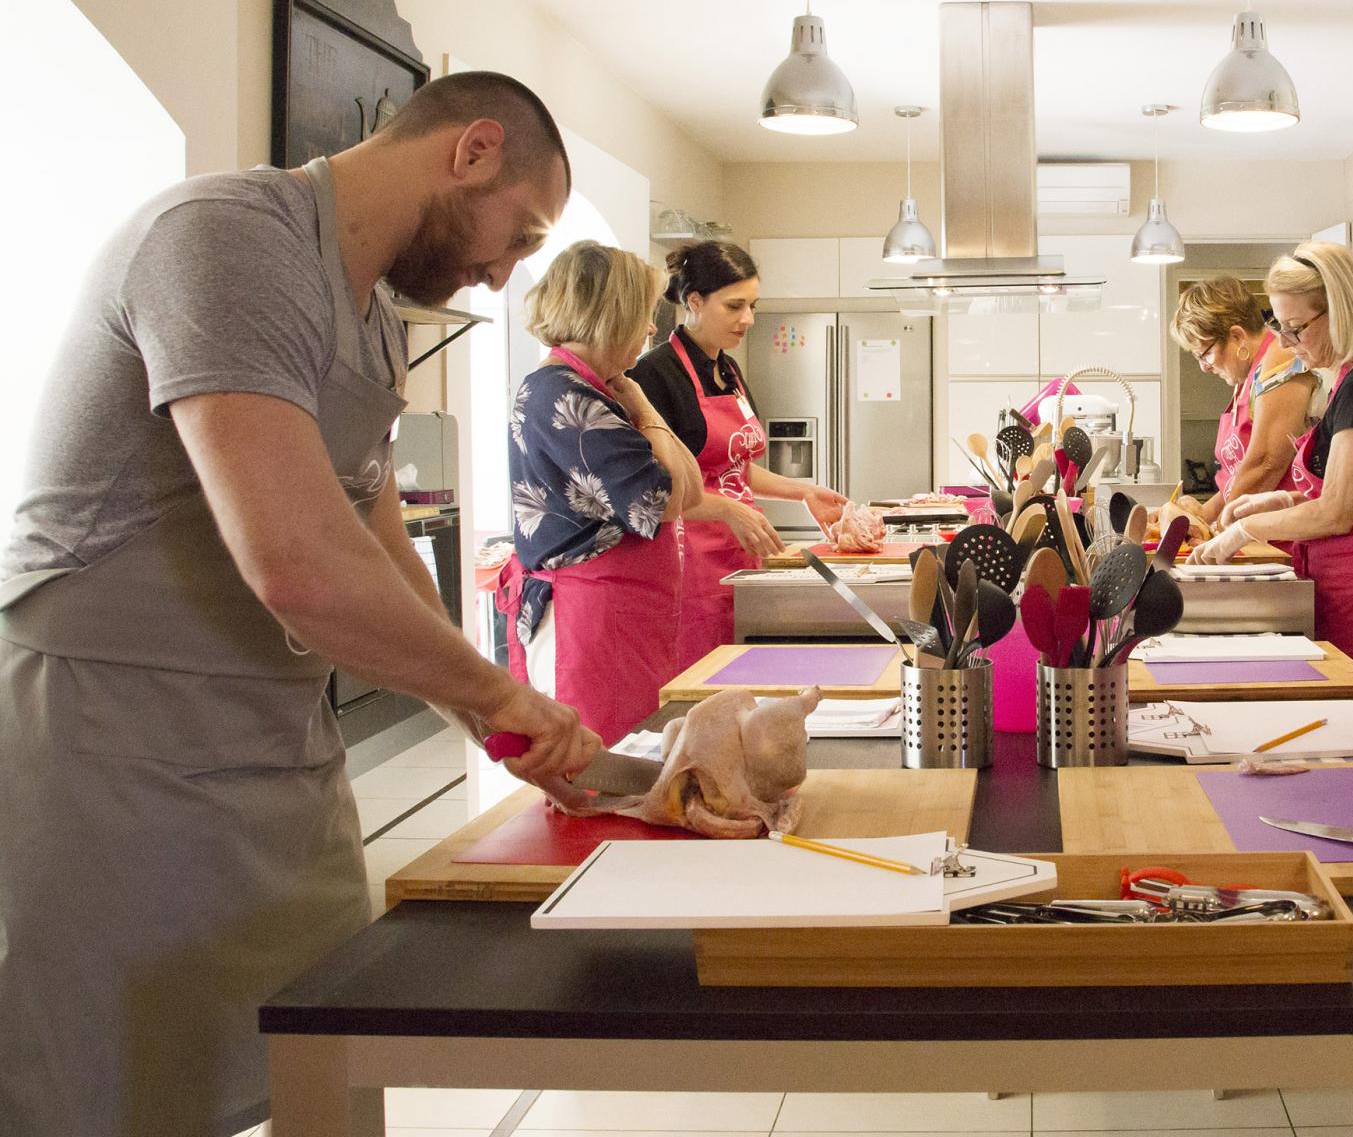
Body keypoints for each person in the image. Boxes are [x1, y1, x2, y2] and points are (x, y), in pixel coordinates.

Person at [0, 71, 603, 1136]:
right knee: (112, 1086)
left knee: (331, 1048)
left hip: (269, 741)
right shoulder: (227, 239)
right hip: (108, 738)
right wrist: (508, 691)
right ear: (469, 151)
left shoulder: (373, 322)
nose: (504, 278)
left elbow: (373, 549)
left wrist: (491, 718)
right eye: (520, 235)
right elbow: (297, 563)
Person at [1192, 242, 1353, 712]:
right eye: (1281, 328)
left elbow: (1337, 511)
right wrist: (1275, 503)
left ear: (1341, 311)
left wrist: (1244, 529)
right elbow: (1352, 489)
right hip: (1345, 587)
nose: (1288, 344)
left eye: (1296, 329)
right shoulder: (1350, 379)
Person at [500, 241, 702, 744]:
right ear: (612, 314)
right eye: (642, 314)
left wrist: (638, 402)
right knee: (600, 765)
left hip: (616, 619)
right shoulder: (563, 394)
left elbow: (691, 487)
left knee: (632, 758)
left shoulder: (594, 388)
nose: (651, 329)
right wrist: (645, 410)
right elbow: (668, 500)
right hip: (589, 624)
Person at [629, 240, 847, 666]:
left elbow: (734, 468)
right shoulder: (655, 375)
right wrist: (729, 511)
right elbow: (655, 492)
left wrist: (803, 492)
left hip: (741, 556)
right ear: (694, 301)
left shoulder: (726, 369)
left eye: (752, 305)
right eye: (734, 306)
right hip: (687, 564)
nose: (748, 319)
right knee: (700, 683)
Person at [1169, 274, 1316, 527]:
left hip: (1280, 538)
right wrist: (1202, 516)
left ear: (1237, 336)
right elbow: (1236, 480)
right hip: (1257, 533)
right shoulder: (1245, 379)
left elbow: (1266, 463)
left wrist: (1216, 529)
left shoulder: (1278, 358)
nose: (1204, 367)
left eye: (1205, 354)